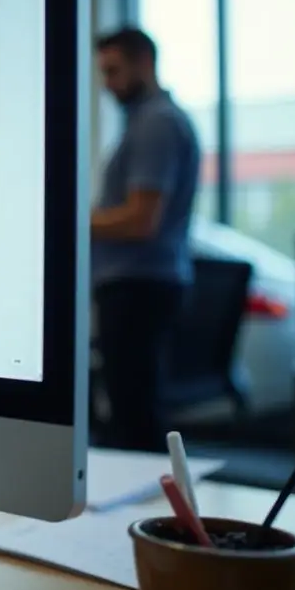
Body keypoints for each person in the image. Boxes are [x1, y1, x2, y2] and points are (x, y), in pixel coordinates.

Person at [92, 27, 201, 452]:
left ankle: (151, 515)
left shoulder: (156, 123)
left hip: (138, 287)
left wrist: (70, 224)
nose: (107, 84)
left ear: (144, 63)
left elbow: (141, 220)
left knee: (135, 416)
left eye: (114, 71)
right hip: (136, 285)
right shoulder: (146, 122)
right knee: (131, 410)